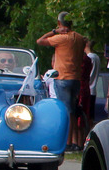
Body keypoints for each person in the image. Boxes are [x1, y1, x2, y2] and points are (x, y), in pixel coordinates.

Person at [37, 12, 88, 151]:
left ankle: (66, 142)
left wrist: (54, 32)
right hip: (76, 79)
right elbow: (85, 41)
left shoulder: (60, 38)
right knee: (72, 110)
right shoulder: (79, 38)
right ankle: (72, 141)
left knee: (65, 111)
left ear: (60, 24)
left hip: (62, 78)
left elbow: (40, 41)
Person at [83, 39, 100, 124]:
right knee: (91, 116)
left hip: (88, 88)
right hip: (94, 89)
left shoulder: (89, 57)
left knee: (86, 115)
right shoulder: (96, 57)